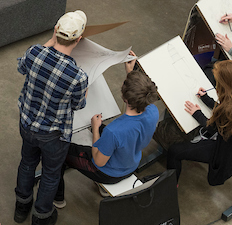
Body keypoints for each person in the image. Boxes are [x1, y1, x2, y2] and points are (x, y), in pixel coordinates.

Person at [14, 10, 90, 225]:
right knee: (50, 174)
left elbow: (21, 67)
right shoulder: (78, 76)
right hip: (53, 135)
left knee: (27, 163)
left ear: (55, 31)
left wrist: (50, 41)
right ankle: (40, 219)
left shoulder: (34, 53)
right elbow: (78, 105)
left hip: (27, 124)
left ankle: (21, 207)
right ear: (79, 39)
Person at [58, 65, 159, 202]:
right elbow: (139, 97)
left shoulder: (114, 131)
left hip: (108, 174)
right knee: (105, 132)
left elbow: (98, 161)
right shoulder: (153, 111)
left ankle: (57, 197)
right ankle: (102, 189)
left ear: (124, 98)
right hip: (131, 164)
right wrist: (130, 72)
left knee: (58, 150)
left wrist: (95, 129)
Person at [166, 60, 232, 186]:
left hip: (229, 153)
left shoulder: (227, 110)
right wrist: (206, 99)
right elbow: (226, 110)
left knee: (174, 151)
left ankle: (171, 186)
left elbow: (210, 129)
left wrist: (197, 113)